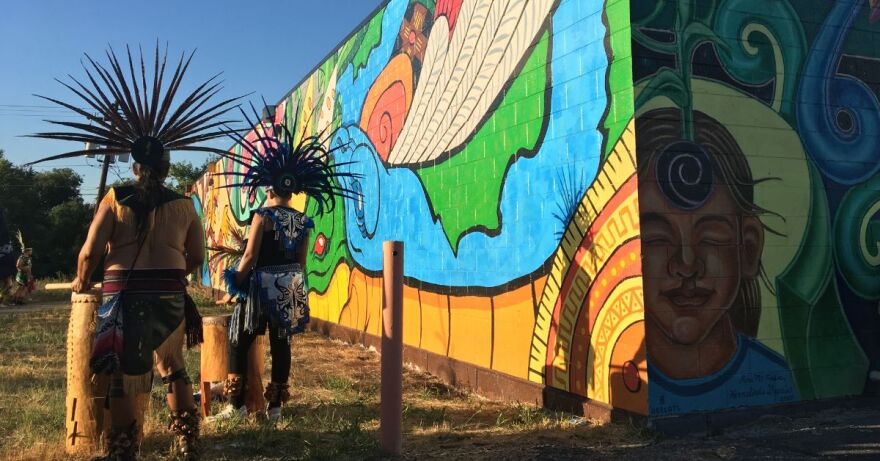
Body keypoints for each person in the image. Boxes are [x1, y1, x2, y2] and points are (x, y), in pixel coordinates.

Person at [26, 45, 240, 460]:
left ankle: (123, 449)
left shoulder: (115, 198)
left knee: (122, 375)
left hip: (124, 295)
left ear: (135, 166)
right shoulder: (184, 203)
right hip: (169, 296)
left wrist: (82, 279)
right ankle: (186, 440)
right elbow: (196, 255)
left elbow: (89, 253)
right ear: (164, 166)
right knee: (172, 366)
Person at [638, 108, 797, 416]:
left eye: (711, 237)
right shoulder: (624, 378)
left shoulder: (777, 379)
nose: (686, 263)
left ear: (748, 248)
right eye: (657, 237)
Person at [208, 110, 358, 424]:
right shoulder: (303, 221)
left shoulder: (262, 216)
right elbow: (301, 263)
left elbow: (249, 257)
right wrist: (295, 292)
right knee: (281, 345)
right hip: (289, 287)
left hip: (260, 289)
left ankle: (234, 408)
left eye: (266, 187)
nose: (265, 191)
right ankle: (275, 410)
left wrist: (235, 282)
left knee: (239, 339)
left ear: (273, 188)